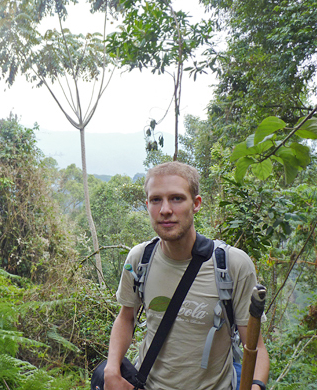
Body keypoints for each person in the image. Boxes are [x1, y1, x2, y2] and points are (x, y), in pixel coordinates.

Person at [103, 162, 270, 390]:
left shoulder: (232, 266)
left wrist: (257, 386)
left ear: (196, 204)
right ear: (147, 206)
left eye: (177, 198)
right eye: (156, 200)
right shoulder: (140, 259)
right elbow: (126, 317)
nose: (165, 210)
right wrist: (111, 370)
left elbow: (255, 346)